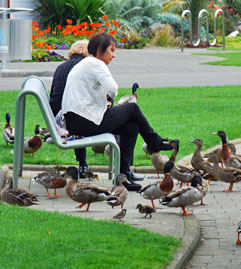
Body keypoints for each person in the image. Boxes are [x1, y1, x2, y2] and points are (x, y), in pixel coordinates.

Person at [61, 33, 173, 191]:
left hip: (78, 121)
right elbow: (113, 89)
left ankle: (124, 176)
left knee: (131, 127)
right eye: (111, 50)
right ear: (100, 49)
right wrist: (108, 99)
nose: (113, 55)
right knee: (132, 108)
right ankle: (154, 142)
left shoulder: (86, 63)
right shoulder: (95, 63)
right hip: (85, 121)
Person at [49, 40, 90, 178]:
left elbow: (53, 95)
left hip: (57, 117)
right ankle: (83, 164)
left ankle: (83, 163)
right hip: (71, 119)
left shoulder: (60, 67)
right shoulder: (84, 66)